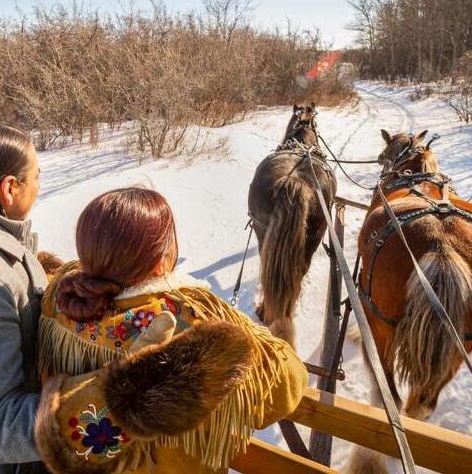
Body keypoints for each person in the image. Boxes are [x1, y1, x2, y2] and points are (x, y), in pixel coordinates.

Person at [0, 125, 246, 474]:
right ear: (9, 188)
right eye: (37, 177)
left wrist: (41, 279)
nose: (39, 186)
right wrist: (126, 401)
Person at [36, 187, 309, 473]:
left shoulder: (59, 301)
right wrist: (261, 337)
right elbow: (286, 386)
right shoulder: (189, 319)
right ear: (158, 263)